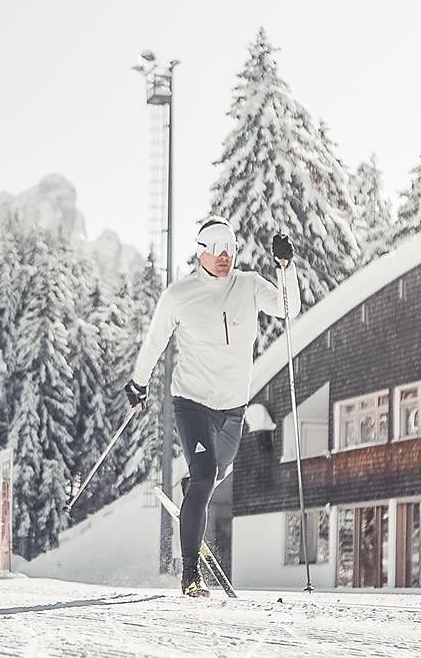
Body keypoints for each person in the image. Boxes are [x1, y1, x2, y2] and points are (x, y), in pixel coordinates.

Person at [125, 217, 299, 598]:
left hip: (233, 407)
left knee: (215, 473)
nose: (224, 257)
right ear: (200, 250)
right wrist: (139, 382)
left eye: (230, 249)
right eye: (216, 249)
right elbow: (155, 343)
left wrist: (287, 268)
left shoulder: (250, 286)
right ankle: (190, 574)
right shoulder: (180, 294)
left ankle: (193, 489)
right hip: (192, 402)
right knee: (205, 475)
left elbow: (288, 308)